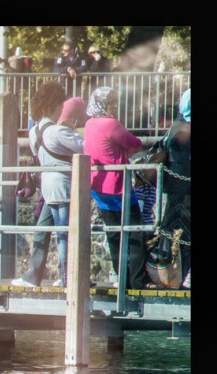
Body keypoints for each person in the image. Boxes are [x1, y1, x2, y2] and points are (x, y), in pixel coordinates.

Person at [12, 88, 85, 288]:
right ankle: (67, 277)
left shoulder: (33, 132)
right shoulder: (57, 131)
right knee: (64, 233)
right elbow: (85, 146)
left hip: (47, 187)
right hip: (63, 186)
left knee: (42, 230)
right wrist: (72, 130)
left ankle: (33, 275)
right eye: (60, 105)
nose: (62, 108)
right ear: (53, 106)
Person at [84, 86, 147, 289]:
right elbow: (134, 143)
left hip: (98, 186)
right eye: (111, 102)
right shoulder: (111, 124)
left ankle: (122, 279)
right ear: (103, 104)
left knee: (113, 234)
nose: (115, 106)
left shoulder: (89, 124)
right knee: (136, 231)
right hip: (118, 187)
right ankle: (137, 281)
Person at [156, 88, 190, 287]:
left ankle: (171, 274)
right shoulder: (182, 129)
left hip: (178, 188)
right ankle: (167, 274)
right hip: (182, 189)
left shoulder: (177, 125)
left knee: (171, 231)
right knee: (176, 232)